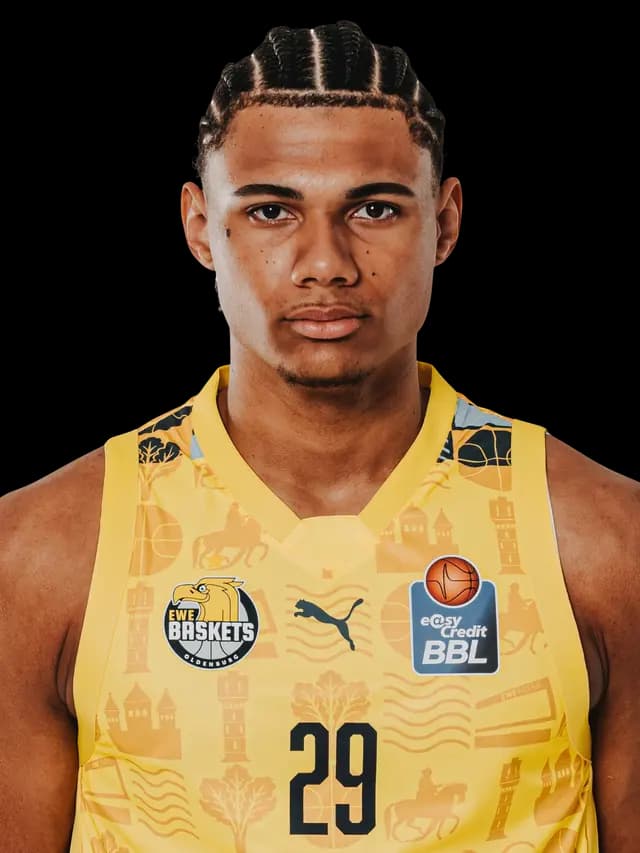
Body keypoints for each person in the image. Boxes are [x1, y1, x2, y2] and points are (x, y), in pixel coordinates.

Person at [0, 19, 637, 852]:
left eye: (374, 208)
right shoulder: (45, 551)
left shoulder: (603, 541)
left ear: (445, 223)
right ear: (200, 226)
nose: (325, 262)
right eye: (271, 210)